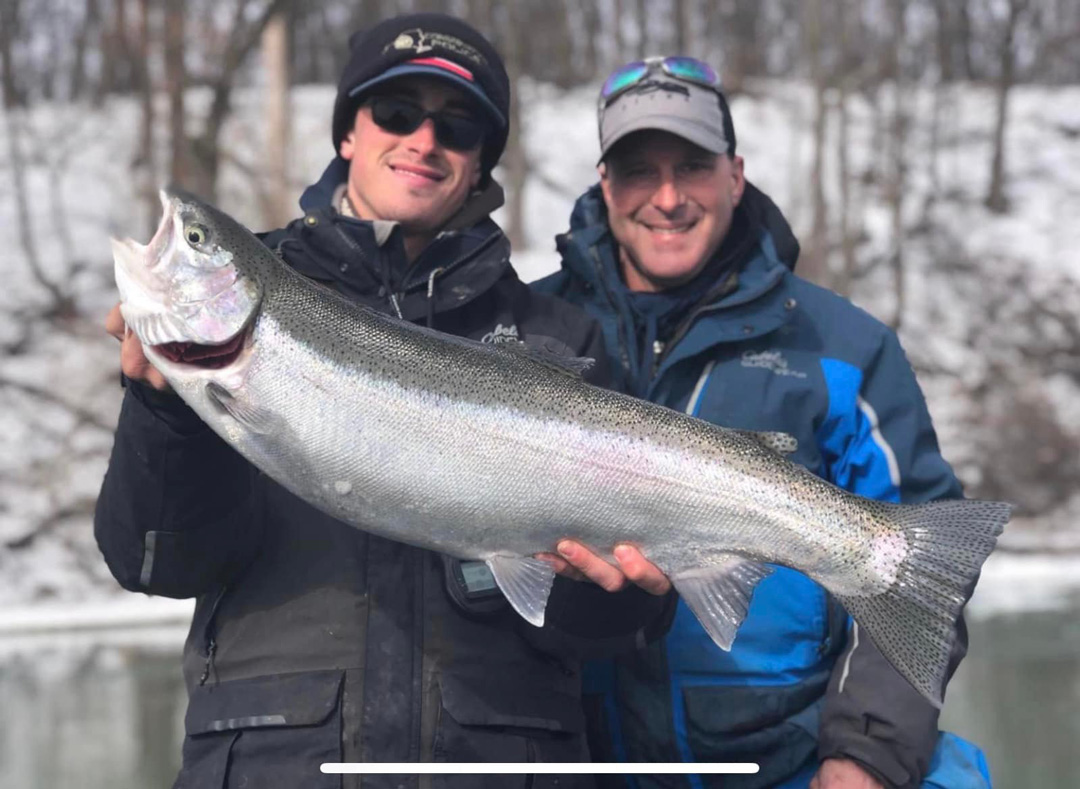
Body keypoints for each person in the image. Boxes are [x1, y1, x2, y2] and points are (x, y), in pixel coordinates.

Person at [95, 15, 673, 787]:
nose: (424, 141)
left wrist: (617, 603)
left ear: (479, 165)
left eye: (458, 126)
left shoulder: (558, 339)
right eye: (396, 113)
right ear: (348, 135)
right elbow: (154, 561)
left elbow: (597, 637)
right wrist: (163, 411)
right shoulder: (260, 309)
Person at [534, 57, 993, 789]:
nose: (669, 197)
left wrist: (865, 756)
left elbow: (921, 569)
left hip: (789, 763)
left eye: (693, 165)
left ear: (735, 174)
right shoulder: (534, 331)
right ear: (605, 185)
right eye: (639, 170)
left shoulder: (843, 348)